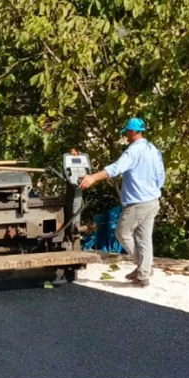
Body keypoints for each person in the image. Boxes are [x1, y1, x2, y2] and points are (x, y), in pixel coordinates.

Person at [79, 118, 166, 286]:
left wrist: (93, 178)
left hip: (138, 202)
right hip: (153, 200)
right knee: (144, 239)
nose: (126, 136)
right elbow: (161, 176)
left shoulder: (133, 151)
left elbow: (116, 168)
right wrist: (153, 190)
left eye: (126, 132)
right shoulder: (153, 150)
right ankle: (144, 272)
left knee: (122, 233)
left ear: (133, 132)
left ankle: (144, 267)